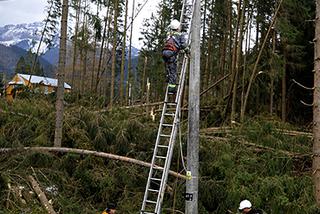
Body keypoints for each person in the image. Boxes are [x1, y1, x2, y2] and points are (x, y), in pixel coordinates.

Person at [162, 19, 188, 94]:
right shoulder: (180, 35)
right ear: (178, 27)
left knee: (168, 68)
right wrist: (187, 51)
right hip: (171, 54)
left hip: (164, 53)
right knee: (173, 71)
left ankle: (168, 77)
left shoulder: (169, 34)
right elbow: (183, 45)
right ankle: (171, 89)